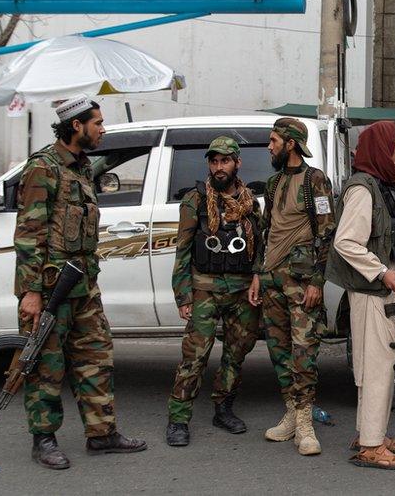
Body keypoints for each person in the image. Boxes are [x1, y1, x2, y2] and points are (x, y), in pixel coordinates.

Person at [14, 94, 146, 470]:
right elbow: (29, 233)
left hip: (84, 285)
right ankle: (44, 439)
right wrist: (32, 293)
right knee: (46, 365)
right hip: (51, 288)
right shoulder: (44, 167)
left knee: (96, 357)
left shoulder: (82, 168)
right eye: (98, 123)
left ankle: (102, 434)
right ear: (77, 126)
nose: (102, 129)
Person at [327, 121, 395, 470]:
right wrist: (381, 270)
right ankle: (370, 446)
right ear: (381, 149)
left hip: (388, 288)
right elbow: (345, 242)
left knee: (383, 363)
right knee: (377, 365)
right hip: (372, 290)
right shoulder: (362, 189)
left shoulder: (387, 186)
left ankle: (371, 434)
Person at [164, 136, 264, 447]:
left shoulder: (251, 203)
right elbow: (182, 250)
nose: (219, 167)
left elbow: (259, 246)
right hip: (204, 289)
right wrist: (183, 295)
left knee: (236, 354)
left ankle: (223, 408)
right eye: (214, 161)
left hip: (241, 289)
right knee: (194, 357)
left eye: (225, 160)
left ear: (237, 162)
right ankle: (178, 418)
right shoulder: (194, 200)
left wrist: (257, 278)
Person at [254, 117, 336, 456]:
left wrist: (318, 280)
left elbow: (327, 233)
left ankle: (305, 423)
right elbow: (266, 230)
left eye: (274, 140)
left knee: (304, 352)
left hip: (302, 282)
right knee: (279, 350)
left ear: (290, 143)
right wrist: (259, 273)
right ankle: (291, 413)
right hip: (272, 279)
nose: (270, 146)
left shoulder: (315, 180)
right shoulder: (272, 183)